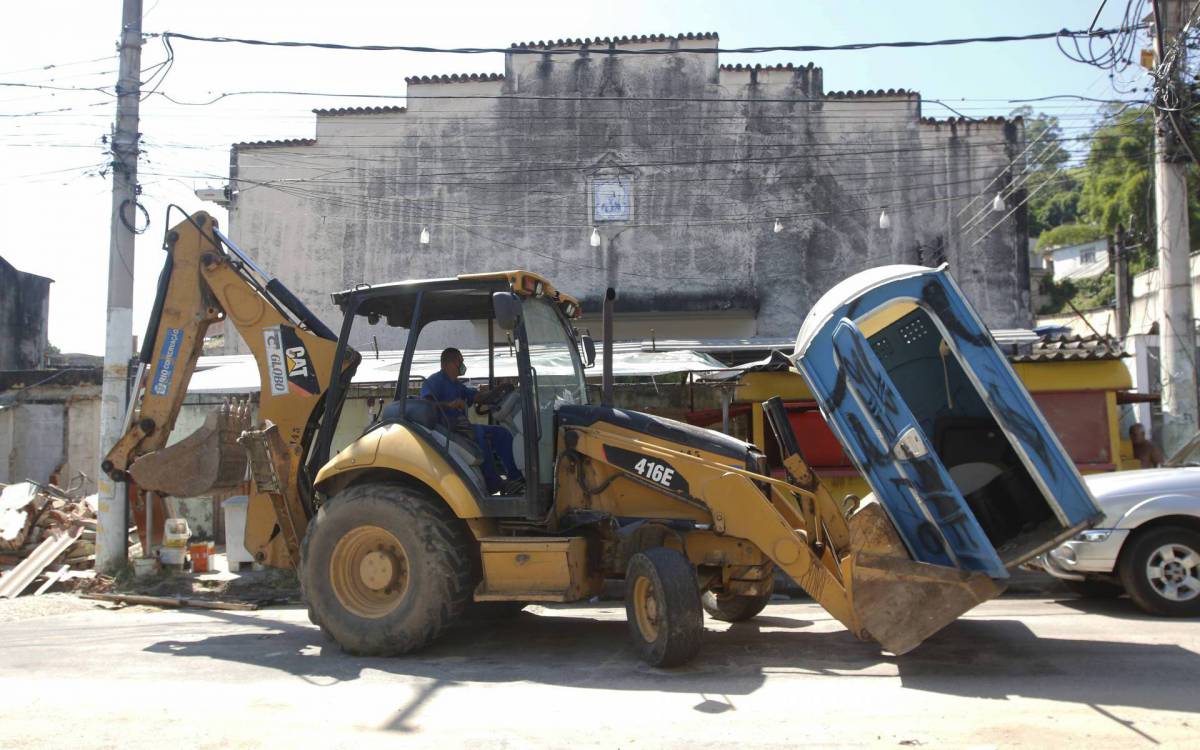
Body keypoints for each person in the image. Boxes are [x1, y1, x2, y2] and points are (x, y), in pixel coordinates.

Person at [420, 347, 524, 494]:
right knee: (479, 434)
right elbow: (426, 404)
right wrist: (449, 405)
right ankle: (494, 483)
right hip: (446, 429)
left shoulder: (457, 384)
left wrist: (498, 390)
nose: (463, 365)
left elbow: (477, 397)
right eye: (460, 361)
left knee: (502, 433)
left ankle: (516, 478)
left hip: (462, 427)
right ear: (448, 363)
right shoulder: (435, 381)